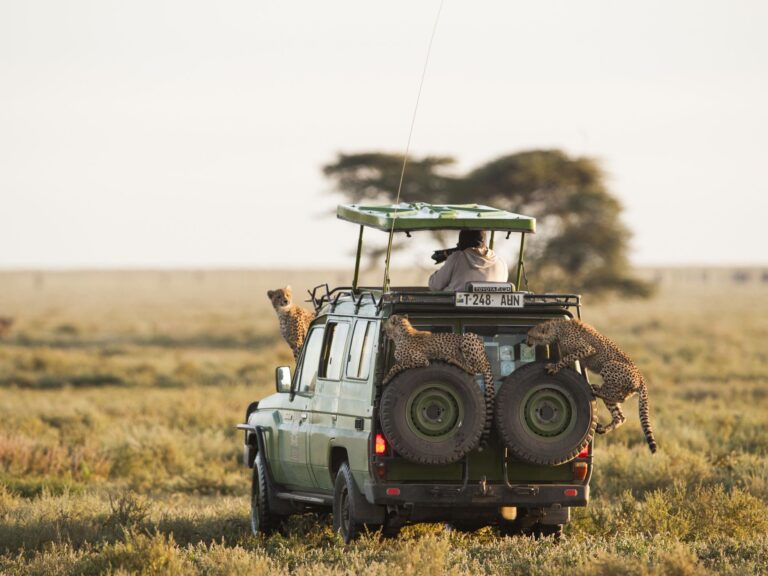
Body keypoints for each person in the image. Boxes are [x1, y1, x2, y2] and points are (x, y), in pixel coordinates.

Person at [428, 230, 508, 291]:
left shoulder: (457, 257)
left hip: (457, 311)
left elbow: (435, 285)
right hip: (492, 312)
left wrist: (450, 258)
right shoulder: (501, 262)